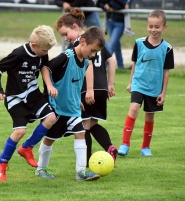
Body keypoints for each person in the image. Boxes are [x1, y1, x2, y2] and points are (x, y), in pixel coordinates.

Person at [36, 26, 106, 181]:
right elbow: (45, 68)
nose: (93, 55)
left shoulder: (86, 62)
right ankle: (41, 169)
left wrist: (77, 100)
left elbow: (74, 83)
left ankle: (81, 172)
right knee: (50, 138)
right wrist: (50, 86)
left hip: (73, 108)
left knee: (80, 133)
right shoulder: (66, 57)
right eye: (92, 50)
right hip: (57, 107)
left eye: (96, 52)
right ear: (83, 42)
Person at [0, 25, 57, 182]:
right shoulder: (19, 54)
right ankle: (0, 163)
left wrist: (48, 87)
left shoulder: (42, 53)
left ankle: (27, 148)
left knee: (51, 118)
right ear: (34, 45)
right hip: (16, 98)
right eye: (44, 50)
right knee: (20, 131)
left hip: (34, 95)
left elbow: (43, 68)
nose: (46, 54)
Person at [55, 8, 118, 165]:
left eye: (65, 34)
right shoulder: (96, 39)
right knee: (93, 124)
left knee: (83, 127)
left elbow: (88, 66)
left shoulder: (79, 44)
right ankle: (109, 147)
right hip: (102, 88)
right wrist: (110, 84)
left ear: (75, 27)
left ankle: (87, 163)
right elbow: (112, 61)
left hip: (87, 90)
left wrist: (89, 89)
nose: (65, 38)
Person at [118, 10, 174, 157]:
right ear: (147, 26)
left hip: (155, 88)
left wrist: (163, 92)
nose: (153, 29)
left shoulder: (167, 48)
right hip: (138, 84)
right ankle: (124, 144)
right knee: (134, 109)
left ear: (164, 27)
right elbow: (134, 64)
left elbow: (166, 71)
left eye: (157, 26)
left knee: (149, 117)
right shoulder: (139, 43)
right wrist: (130, 82)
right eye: (151, 26)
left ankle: (145, 148)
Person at [97, 0, 127, 70]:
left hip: (120, 22)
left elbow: (125, 5)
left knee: (112, 45)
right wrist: (104, 6)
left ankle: (102, 66)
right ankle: (121, 67)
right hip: (109, 21)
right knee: (116, 45)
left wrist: (110, 4)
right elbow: (99, 3)